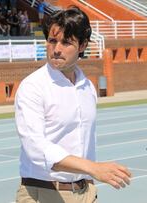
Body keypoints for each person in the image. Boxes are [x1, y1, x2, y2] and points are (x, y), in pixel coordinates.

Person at [15, 7, 132, 203]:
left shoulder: (86, 86)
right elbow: (36, 148)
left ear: (82, 45)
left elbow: (84, 142)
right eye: (52, 41)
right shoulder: (33, 87)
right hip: (44, 193)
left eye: (66, 42)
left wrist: (88, 181)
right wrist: (93, 168)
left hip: (85, 193)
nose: (57, 49)